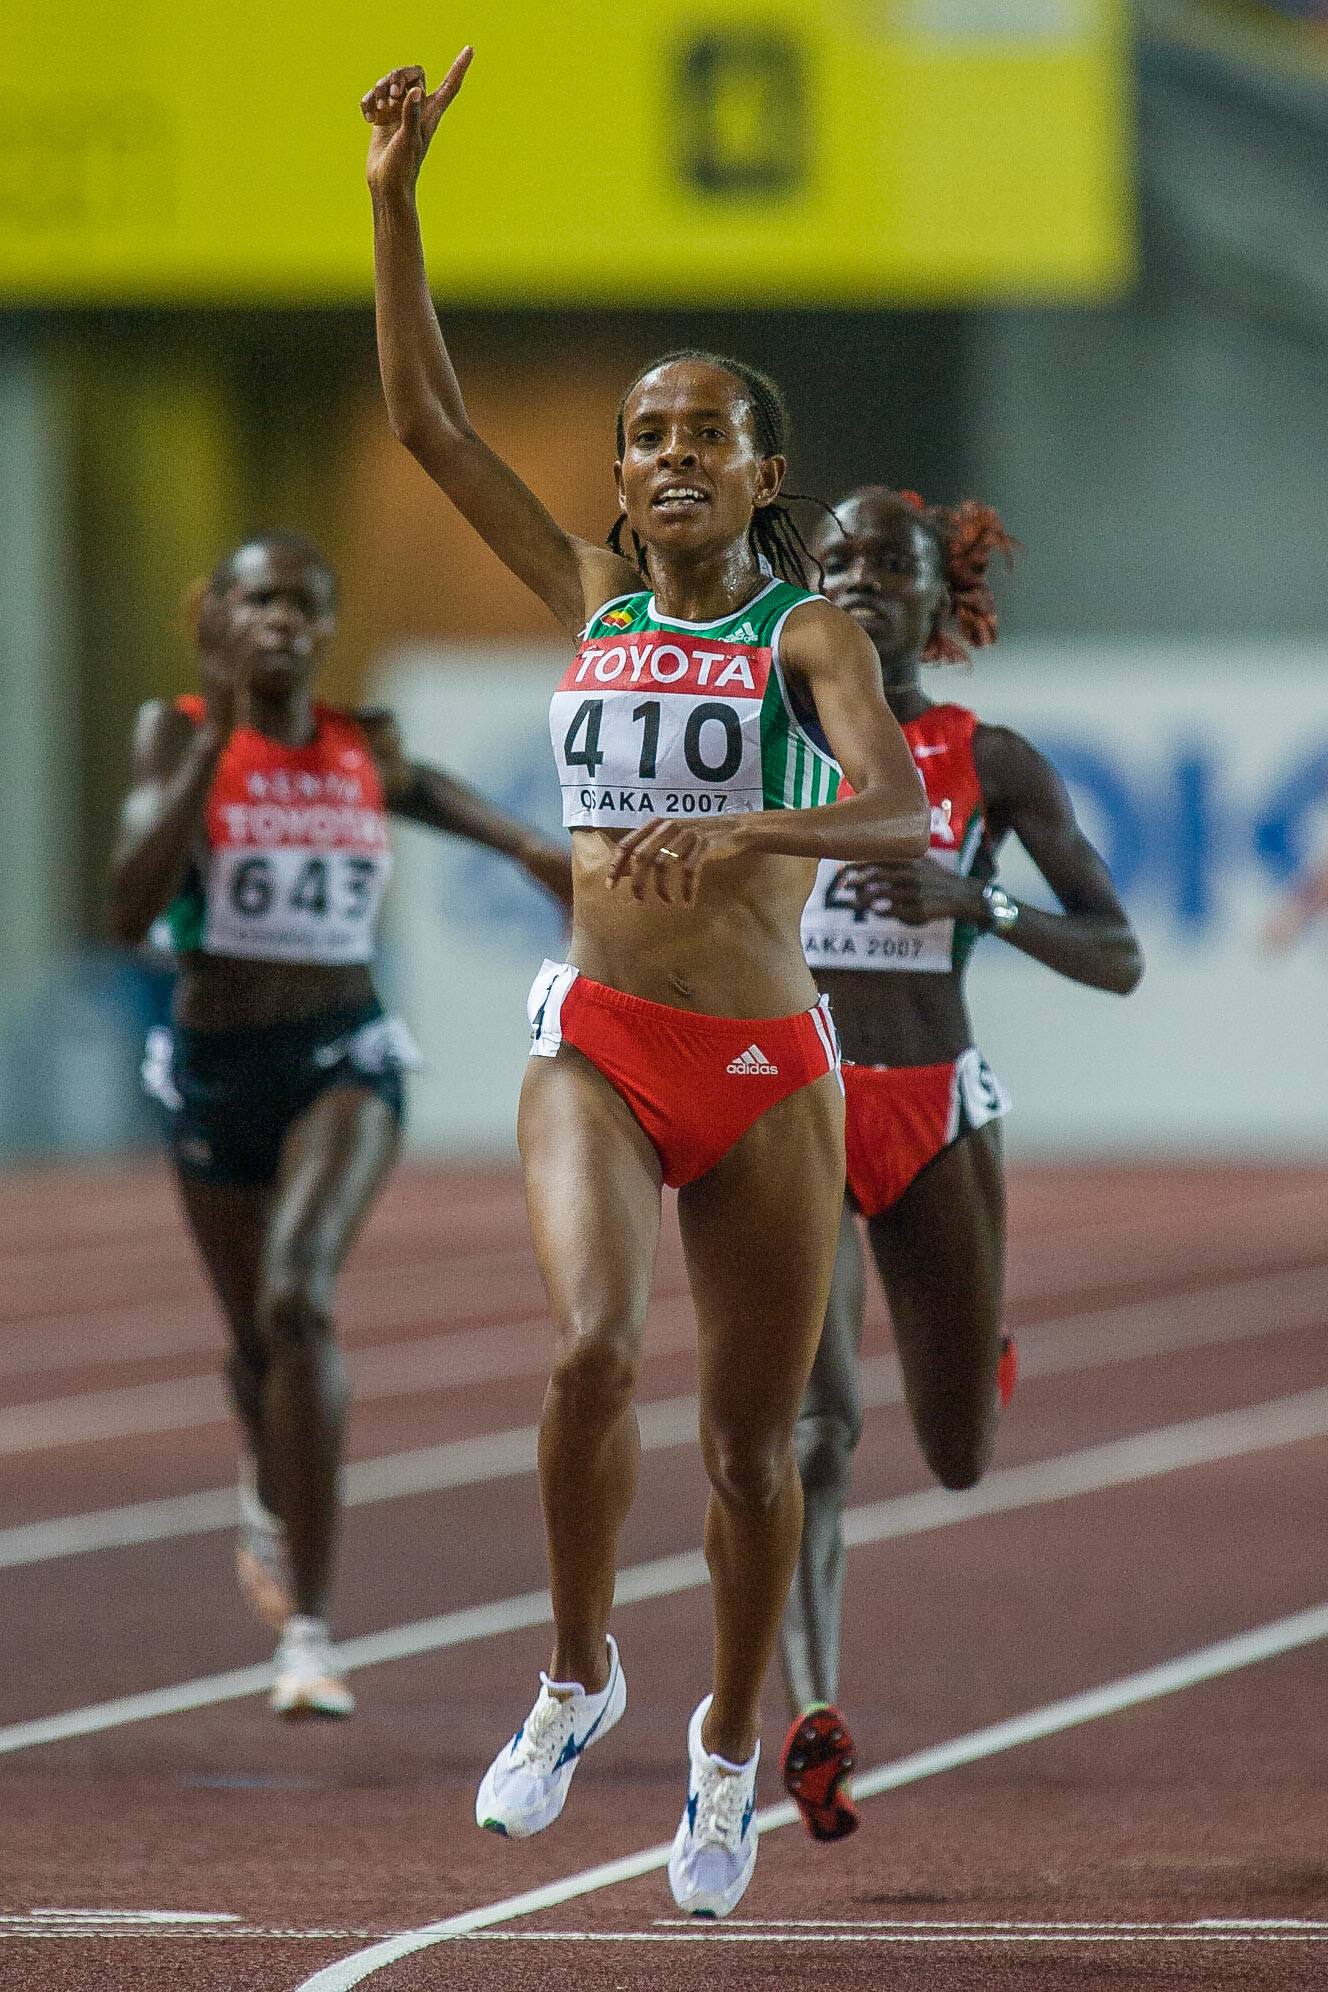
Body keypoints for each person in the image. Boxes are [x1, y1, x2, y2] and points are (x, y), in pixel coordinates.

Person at [362, 52, 929, 1918]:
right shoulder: (591, 588)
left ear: (762, 473)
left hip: (769, 1058)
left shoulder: (809, 627)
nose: (667, 455)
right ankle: (569, 1676)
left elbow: (894, 809)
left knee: (751, 1450)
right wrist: (392, 199)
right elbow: (435, 428)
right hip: (596, 1041)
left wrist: (752, 842)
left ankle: (715, 1762)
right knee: (590, 1349)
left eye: (704, 434)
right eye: (642, 431)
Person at [110, 529, 573, 1719]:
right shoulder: (174, 732)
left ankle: (308, 1633)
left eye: (305, 605)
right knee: (257, 1352)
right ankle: (272, 1484)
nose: (284, 621)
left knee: (299, 1295)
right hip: (212, 1070)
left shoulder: (361, 744)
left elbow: (441, 799)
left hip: (343, 1060)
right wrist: (215, 735)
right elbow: (126, 906)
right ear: (220, 619)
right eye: (260, 600)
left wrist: (531, 851)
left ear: (325, 627)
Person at [777, 485, 1144, 1841]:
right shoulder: (762, 733)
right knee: (817, 1430)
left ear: (946, 600)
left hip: (936, 1110)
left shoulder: (989, 762)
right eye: (837, 559)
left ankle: (977, 1342)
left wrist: (977, 900)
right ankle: (812, 1714)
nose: (860, 576)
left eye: (890, 562)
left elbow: (1120, 955)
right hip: (795, 1104)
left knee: (958, 1457)